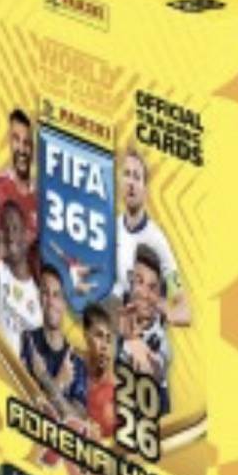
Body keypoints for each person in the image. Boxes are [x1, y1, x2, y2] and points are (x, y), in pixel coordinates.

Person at [114, 144, 191, 325]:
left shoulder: (157, 240)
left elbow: (184, 311)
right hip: (121, 331)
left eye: (137, 177)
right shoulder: (112, 228)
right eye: (127, 174)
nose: (131, 182)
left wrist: (162, 311)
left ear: (145, 190)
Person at [21, 266, 86, 414]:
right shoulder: (28, 342)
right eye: (45, 293)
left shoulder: (76, 363)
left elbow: (77, 420)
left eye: (56, 294)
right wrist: (59, 382)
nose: (50, 301)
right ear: (39, 298)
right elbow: (25, 406)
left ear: (65, 303)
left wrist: (45, 380)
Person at [0, 108, 37, 276]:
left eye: (27, 142)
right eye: (16, 139)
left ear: (33, 147)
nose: (22, 148)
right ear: (10, 142)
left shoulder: (42, 195)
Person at [0, 199, 41, 355]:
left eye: (15, 228)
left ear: (25, 234)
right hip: (1, 366)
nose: (10, 236)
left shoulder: (41, 290)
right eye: (5, 229)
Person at [119, 244, 172, 414]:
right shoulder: (117, 319)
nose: (143, 292)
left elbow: (152, 368)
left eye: (152, 287)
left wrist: (132, 341)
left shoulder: (162, 342)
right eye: (139, 282)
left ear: (160, 297)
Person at [82, 303, 117, 440]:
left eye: (108, 339)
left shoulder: (116, 387)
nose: (104, 345)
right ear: (86, 336)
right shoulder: (72, 369)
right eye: (99, 336)